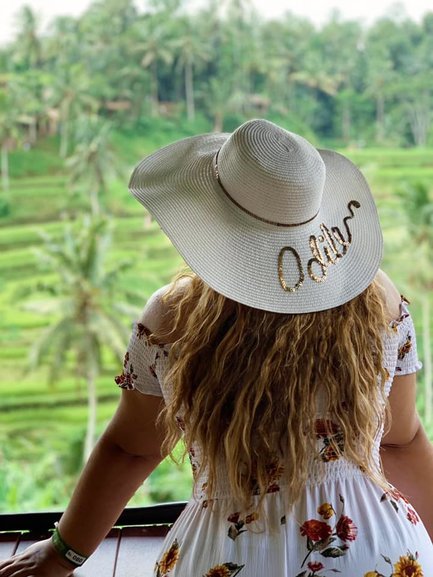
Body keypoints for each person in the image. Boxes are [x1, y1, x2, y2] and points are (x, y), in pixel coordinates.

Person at [1, 119, 432, 576]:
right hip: (377, 553)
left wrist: (63, 553)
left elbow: (131, 448)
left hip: (226, 558)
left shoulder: (172, 316)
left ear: (208, 221)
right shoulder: (377, 301)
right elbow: (402, 440)